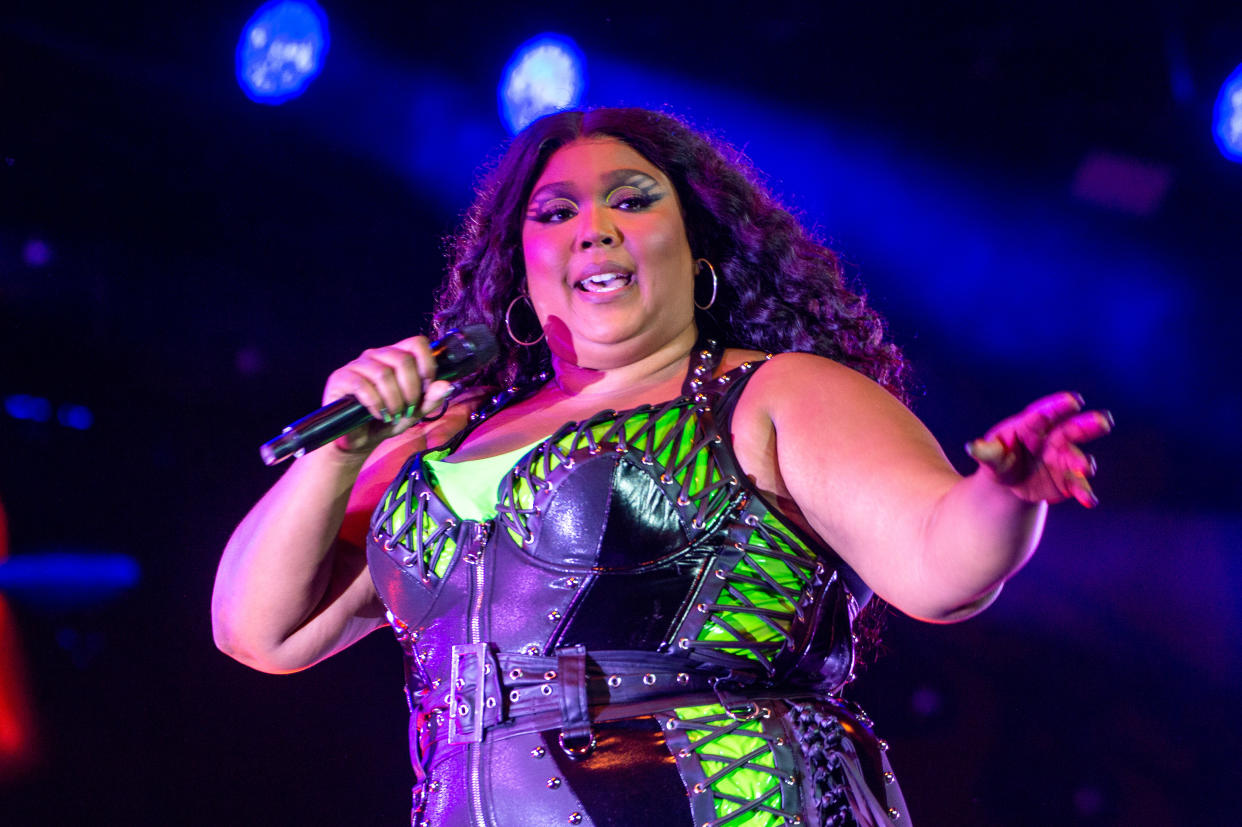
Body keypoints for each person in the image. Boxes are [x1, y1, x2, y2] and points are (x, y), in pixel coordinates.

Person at [212, 107, 1111, 826]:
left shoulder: (768, 396)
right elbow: (260, 630)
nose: (594, 230)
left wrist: (1003, 493)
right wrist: (338, 455)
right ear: (519, 267)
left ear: (698, 247)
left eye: (633, 200)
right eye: (557, 213)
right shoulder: (437, 441)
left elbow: (937, 562)